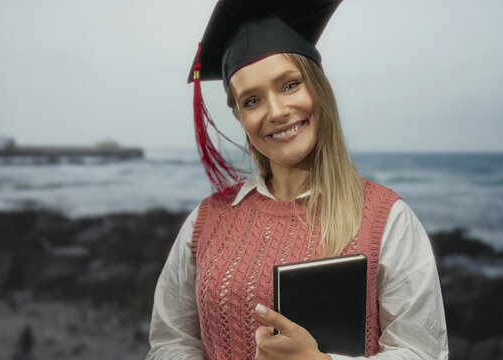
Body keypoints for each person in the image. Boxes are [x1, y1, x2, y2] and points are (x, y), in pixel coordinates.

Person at [146, 0, 449, 359]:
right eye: (252, 100)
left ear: (319, 90)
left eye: (290, 85)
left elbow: (420, 352)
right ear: (240, 116)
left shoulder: (387, 219)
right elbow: (171, 342)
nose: (276, 111)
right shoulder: (206, 221)